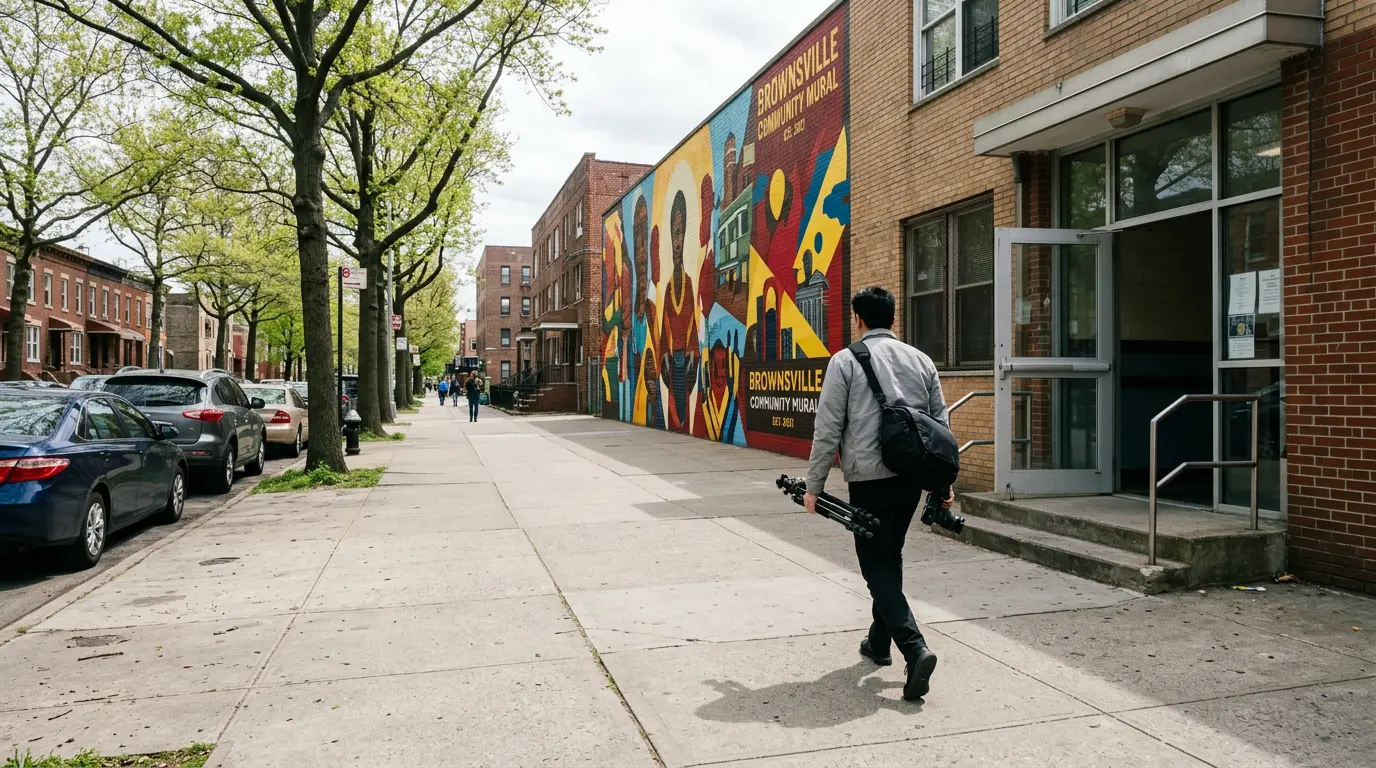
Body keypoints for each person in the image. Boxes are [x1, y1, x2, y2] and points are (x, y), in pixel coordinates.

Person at [804, 286, 951, 702]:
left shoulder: (845, 361)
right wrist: (943, 482)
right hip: (911, 477)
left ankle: (914, 649)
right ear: (893, 318)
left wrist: (814, 486)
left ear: (858, 320)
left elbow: (828, 427)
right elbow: (941, 428)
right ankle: (878, 642)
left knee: (875, 566)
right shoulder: (921, 360)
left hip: (868, 478)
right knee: (890, 556)